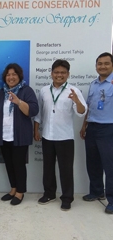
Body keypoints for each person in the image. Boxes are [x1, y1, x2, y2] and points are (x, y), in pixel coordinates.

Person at [34, 59, 87, 211]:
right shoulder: (44, 90)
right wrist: (36, 129)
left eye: (63, 73)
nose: (59, 75)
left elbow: (81, 112)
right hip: (47, 136)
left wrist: (77, 101)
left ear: (68, 74)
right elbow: (39, 113)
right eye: (56, 72)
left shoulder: (73, 91)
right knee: (48, 168)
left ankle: (67, 198)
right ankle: (49, 194)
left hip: (65, 138)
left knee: (66, 169)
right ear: (51, 74)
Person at [0, 63, 39, 206]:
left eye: (14, 74)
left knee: (19, 164)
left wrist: (19, 101)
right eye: (8, 75)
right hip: (4, 135)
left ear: (19, 76)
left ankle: (20, 192)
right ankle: (13, 189)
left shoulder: (26, 91)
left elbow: (33, 111)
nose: (11, 77)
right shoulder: (1, 92)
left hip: (20, 136)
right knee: (8, 163)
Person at [80, 52, 113, 214]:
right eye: (100, 63)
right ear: (96, 66)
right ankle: (97, 191)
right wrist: (84, 125)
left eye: (106, 63)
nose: (102, 66)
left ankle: (112, 199)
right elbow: (89, 106)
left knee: (110, 166)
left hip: (109, 128)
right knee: (93, 163)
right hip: (92, 127)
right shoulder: (93, 84)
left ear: (112, 65)